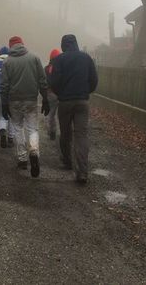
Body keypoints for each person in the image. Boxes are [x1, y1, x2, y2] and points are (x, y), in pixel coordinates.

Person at [50, 34, 98, 184]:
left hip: (65, 102)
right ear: (76, 43)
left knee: (65, 133)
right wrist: (85, 93)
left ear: (63, 45)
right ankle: (82, 172)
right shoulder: (86, 58)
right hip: (82, 102)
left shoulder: (59, 60)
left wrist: (61, 94)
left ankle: (67, 161)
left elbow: (53, 81)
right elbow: (94, 80)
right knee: (81, 135)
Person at [0, 36, 49, 178]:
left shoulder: (7, 62)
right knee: (32, 128)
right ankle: (34, 151)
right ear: (22, 44)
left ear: (10, 46)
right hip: (31, 100)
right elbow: (42, 79)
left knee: (17, 128)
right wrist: (45, 98)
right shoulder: (34, 58)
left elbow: (4, 85)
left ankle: (22, 159)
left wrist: (4, 104)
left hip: (13, 101)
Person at [45, 49, 61, 141]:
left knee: (51, 114)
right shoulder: (63, 67)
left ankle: (52, 132)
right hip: (62, 95)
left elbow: (44, 82)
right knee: (62, 115)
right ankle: (64, 132)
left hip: (50, 93)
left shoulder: (47, 68)